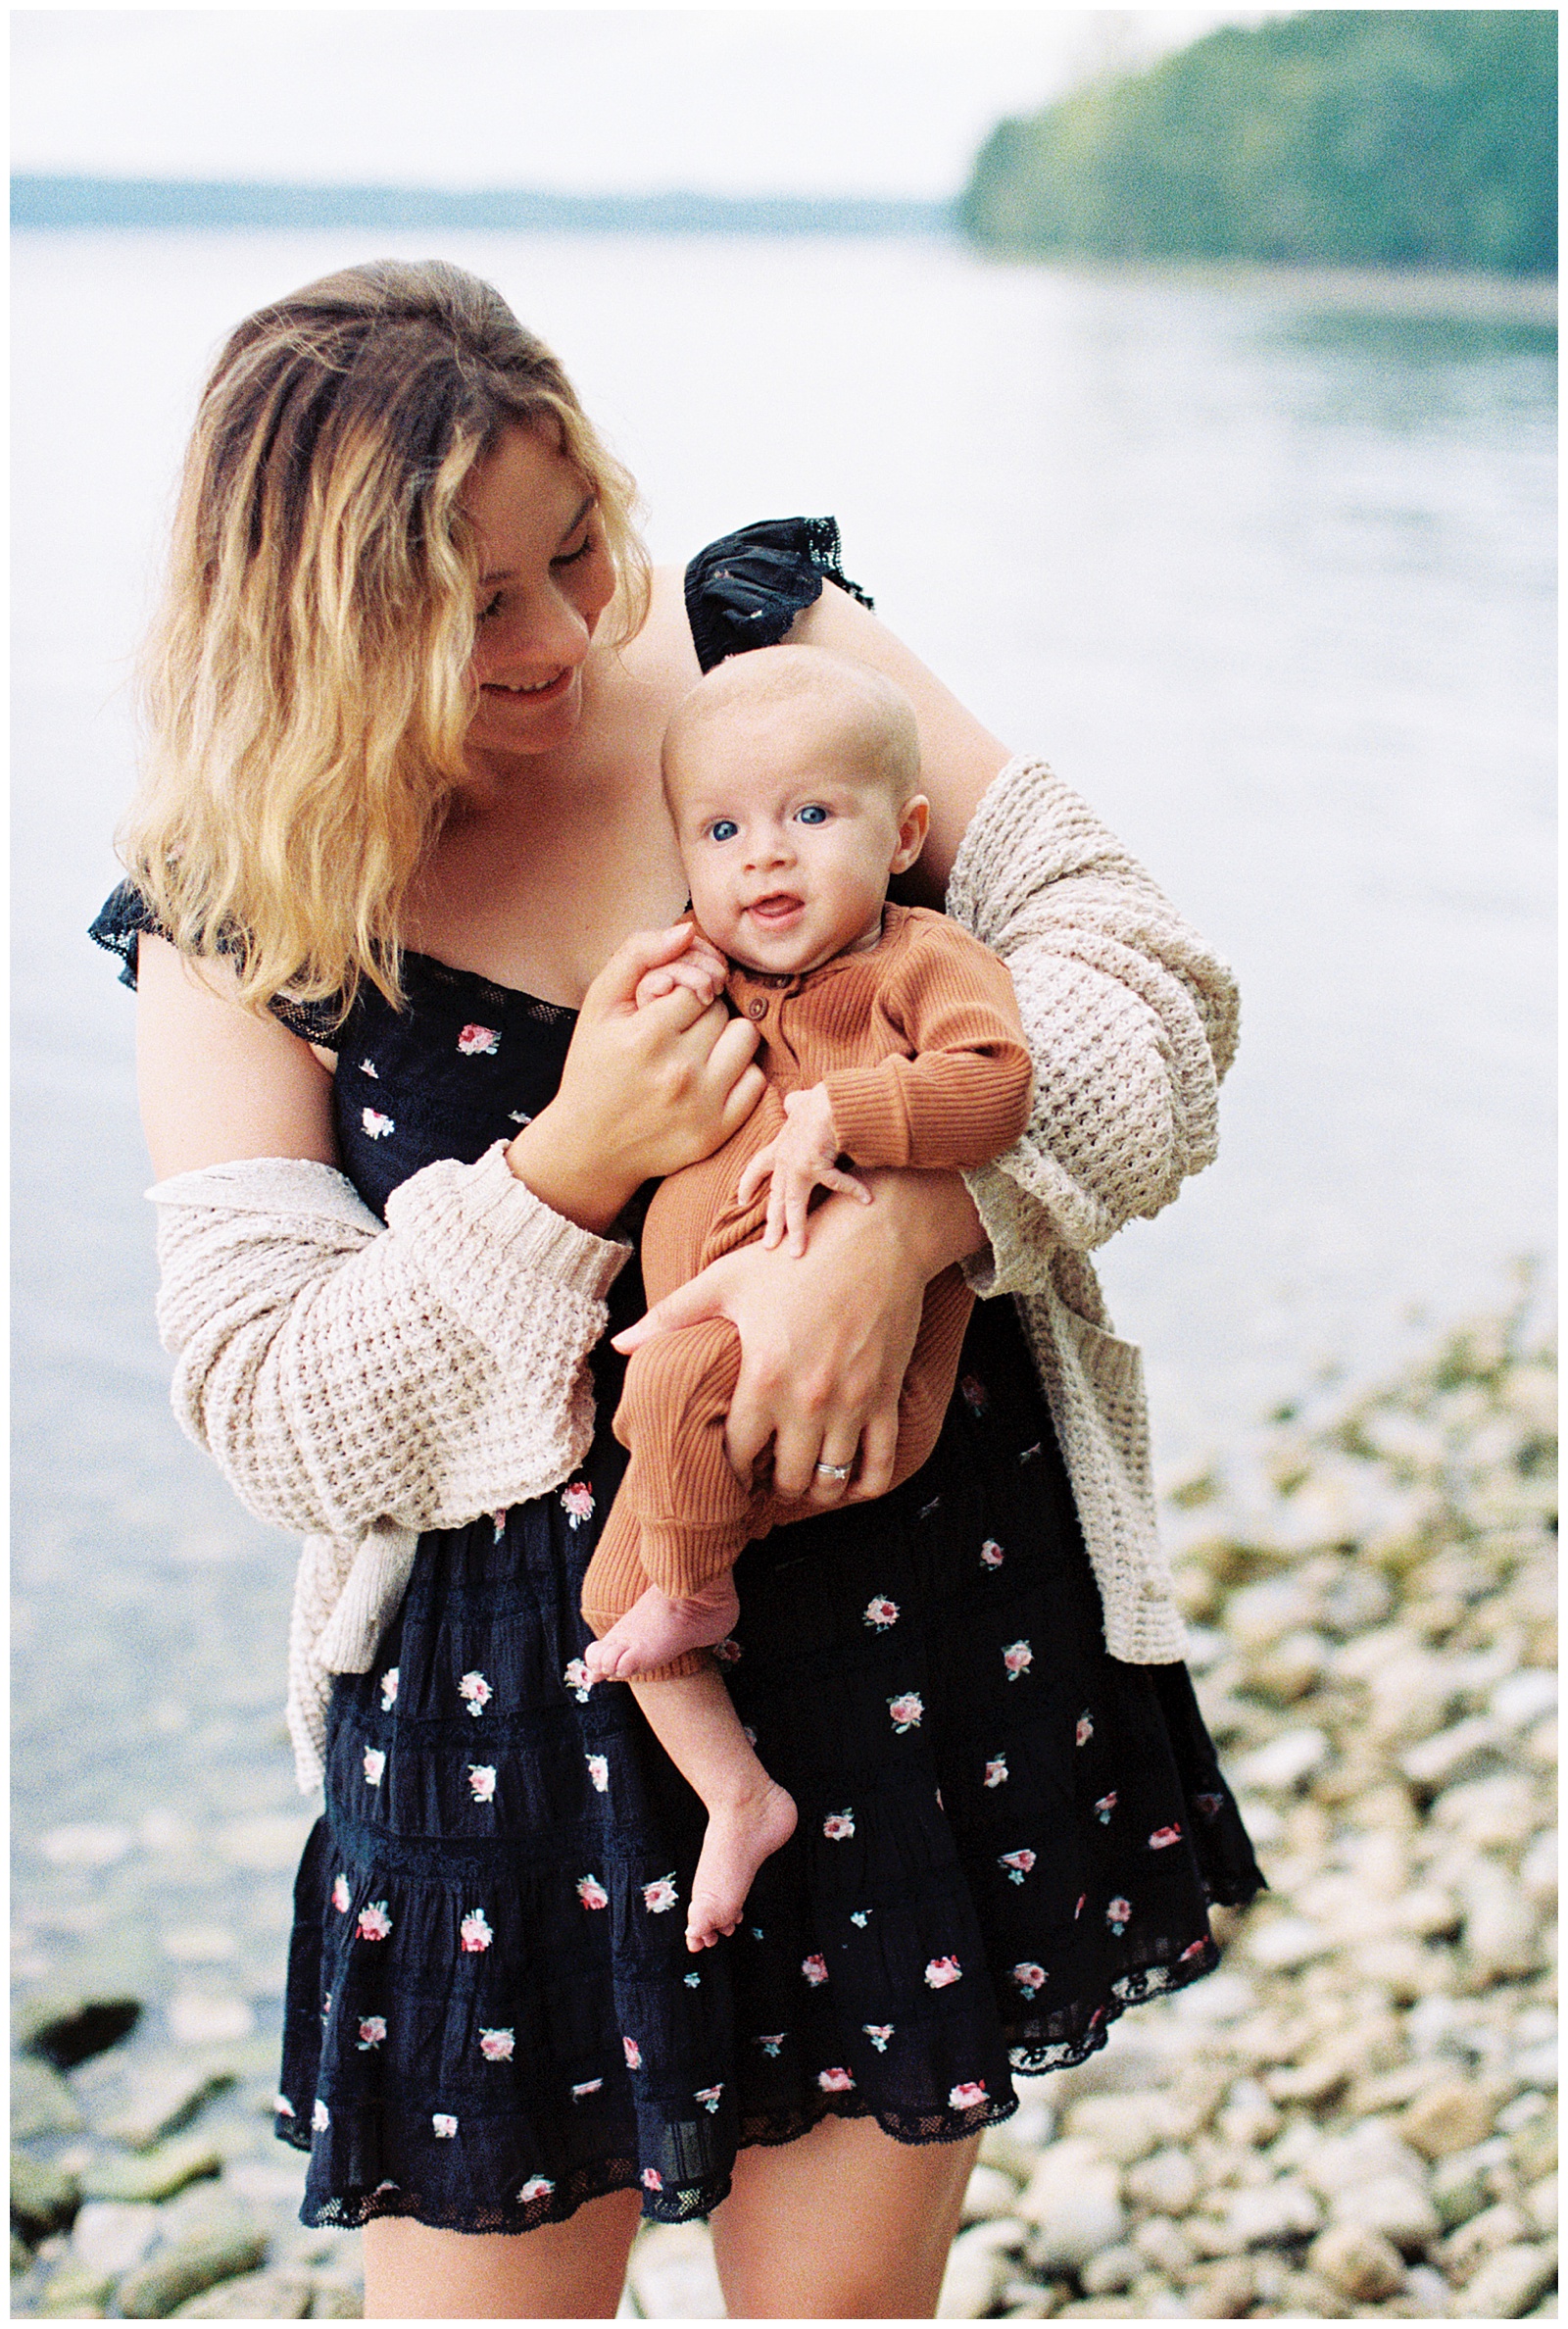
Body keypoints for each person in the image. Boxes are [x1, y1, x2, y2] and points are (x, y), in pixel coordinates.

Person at [91, 259, 1263, 2321]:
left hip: (922, 1643)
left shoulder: (764, 649)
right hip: (501, 1734)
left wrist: (913, 1230)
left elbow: (1140, 986)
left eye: (572, 549)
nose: (556, 639)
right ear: (304, 627)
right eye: (464, 607)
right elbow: (278, 1406)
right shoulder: (235, 910)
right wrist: (569, 1167)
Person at [577, 643, 1036, 1953]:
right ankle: (740, 1796)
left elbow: (998, 1086)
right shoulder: (721, 982)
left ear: (904, 837)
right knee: (615, 1601)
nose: (764, 859)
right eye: (723, 831)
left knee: (662, 1376)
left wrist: (843, 1108)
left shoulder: (917, 965)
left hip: (852, 1386)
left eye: (810, 818)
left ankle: (706, 1593)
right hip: (727, 1380)